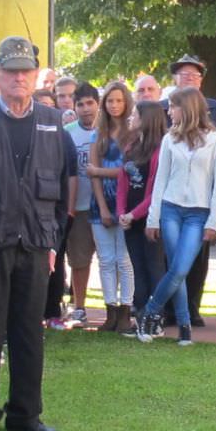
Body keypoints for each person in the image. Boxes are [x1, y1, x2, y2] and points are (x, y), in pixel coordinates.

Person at [0, 36, 75, 431]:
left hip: (34, 243)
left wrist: (51, 243)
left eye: (25, 71)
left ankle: (26, 415)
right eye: (10, 72)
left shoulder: (51, 119)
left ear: (35, 75)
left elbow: (61, 189)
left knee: (30, 332)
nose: (18, 78)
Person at [135, 89, 216, 346]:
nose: (168, 111)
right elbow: (160, 180)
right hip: (171, 208)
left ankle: (151, 312)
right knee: (176, 268)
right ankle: (184, 327)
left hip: (198, 214)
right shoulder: (169, 140)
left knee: (179, 268)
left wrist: (213, 222)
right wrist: (153, 218)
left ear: (186, 108)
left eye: (173, 107)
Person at [167, 54, 216, 325]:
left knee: (198, 256)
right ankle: (168, 310)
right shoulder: (162, 109)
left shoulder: (214, 108)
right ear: (174, 80)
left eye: (194, 74)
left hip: (200, 197)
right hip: (172, 195)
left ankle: (192, 307)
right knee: (170, 257)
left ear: (201, 80)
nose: (189, 78)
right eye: (183, 74)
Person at [87, 79, 137, 334]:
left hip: (126, 204)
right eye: (110, 100)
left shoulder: (133, 134)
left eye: (119, 100)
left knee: (124, 260)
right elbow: (91, 172)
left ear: (126, 102)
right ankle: (110, 312)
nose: (114, 105)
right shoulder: (98, 134)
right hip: (101, 205)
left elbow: (129, 171)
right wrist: (103, 209)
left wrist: (100, 170)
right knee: (106, 260)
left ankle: (126, 312)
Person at [117, 99, 169, 325]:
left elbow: (157, 188)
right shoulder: (130, 147)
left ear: (145, 119)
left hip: (150, 219)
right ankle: (140, 313)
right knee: (137, 266)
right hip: (129, 219)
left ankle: (156, 315)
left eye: (134, 115)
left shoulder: (161, 150)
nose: (130, 118)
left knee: (154, 267)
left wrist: (134, 214)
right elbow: (122, 182)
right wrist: (121, 212)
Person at [62, 83, 102, 326]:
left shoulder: (110, 131)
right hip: (78, 206)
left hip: (105, 205)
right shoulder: (66, 132)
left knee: (112, 260)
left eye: (90, 103)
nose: (86, 109)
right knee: (79, 259)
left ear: (98, 104)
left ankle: (117, 305)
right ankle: (79, 306)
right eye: (80, 104)